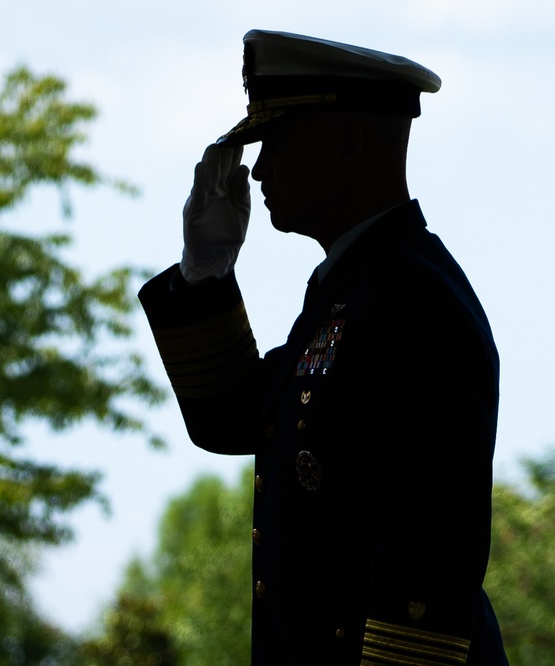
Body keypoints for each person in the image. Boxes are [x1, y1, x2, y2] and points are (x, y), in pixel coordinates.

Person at [139, 29, 509, 665]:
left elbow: (428, 568)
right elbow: (234, 419)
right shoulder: (353, 288)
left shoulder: (407, 298)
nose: (257, 169)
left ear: (345, 146)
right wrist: (205, 274)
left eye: (276, 143)